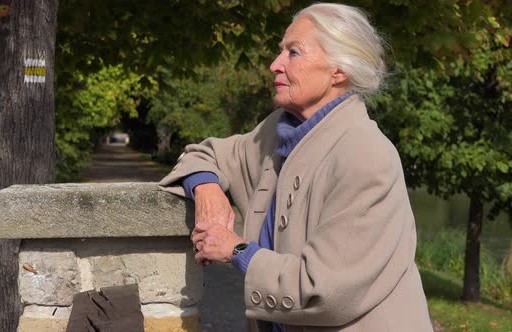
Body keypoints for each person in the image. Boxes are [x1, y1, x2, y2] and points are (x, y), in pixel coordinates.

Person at [159, 3, 433, 331]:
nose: (275, 65)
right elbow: (205, 154)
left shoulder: (366, 156)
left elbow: (323, 291)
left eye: (294, 52)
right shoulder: (279, 130)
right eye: (280, 51)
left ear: (339, 70)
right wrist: (208, 191)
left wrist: (235, 249)